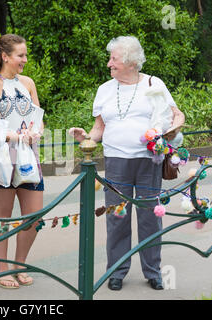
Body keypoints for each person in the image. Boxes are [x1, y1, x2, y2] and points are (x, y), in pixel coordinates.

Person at [69, 36, 185, 291]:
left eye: (114, 59)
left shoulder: (155, 84)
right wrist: (86, 138)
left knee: (149, 217)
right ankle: (117, 270)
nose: (109, 63)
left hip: (148, 161)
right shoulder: (105, 89)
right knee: (118, 216)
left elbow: (176, 116)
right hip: (116, 161)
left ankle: (153, 271)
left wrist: (166, 134)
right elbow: (99, 127)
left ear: (131, 62)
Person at [0, 34, 44, 289]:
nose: (25, 60)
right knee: (2, 215)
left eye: (25, 55)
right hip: (3, 158)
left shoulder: (28, 83)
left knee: (34, 216)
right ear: (5, 56)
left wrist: (36, 132)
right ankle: (1, 270)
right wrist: (14, 136)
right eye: (20, 55)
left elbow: (38, 118)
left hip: (29, 156)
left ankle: (19, 264)